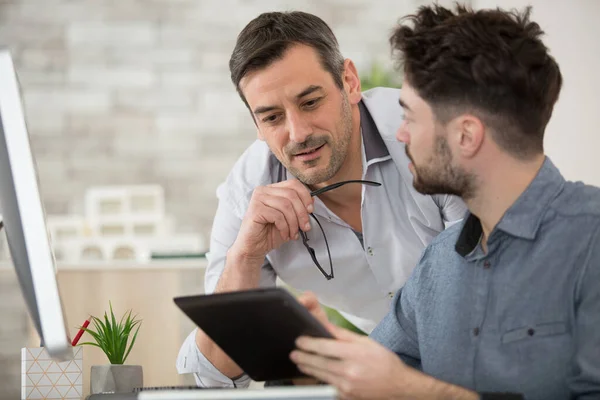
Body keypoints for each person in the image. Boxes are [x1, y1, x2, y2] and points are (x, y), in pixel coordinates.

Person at [290, 4, 600, 400]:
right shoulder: (438, 264)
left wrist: (417, 391)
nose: (401, 135)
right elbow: (375, 381)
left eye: (411, 117)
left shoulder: (590, 241)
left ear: (466, 136)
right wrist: (323, 353)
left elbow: (402, 387)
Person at [176, 11, 466, 387]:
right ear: (256, 125)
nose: (298, 133)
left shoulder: (425, 135)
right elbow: (215, 374)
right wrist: (245, 255)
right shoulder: (247, 192)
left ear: (349, 81)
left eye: (310, 102)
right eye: (272, 117)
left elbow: (480, 299)